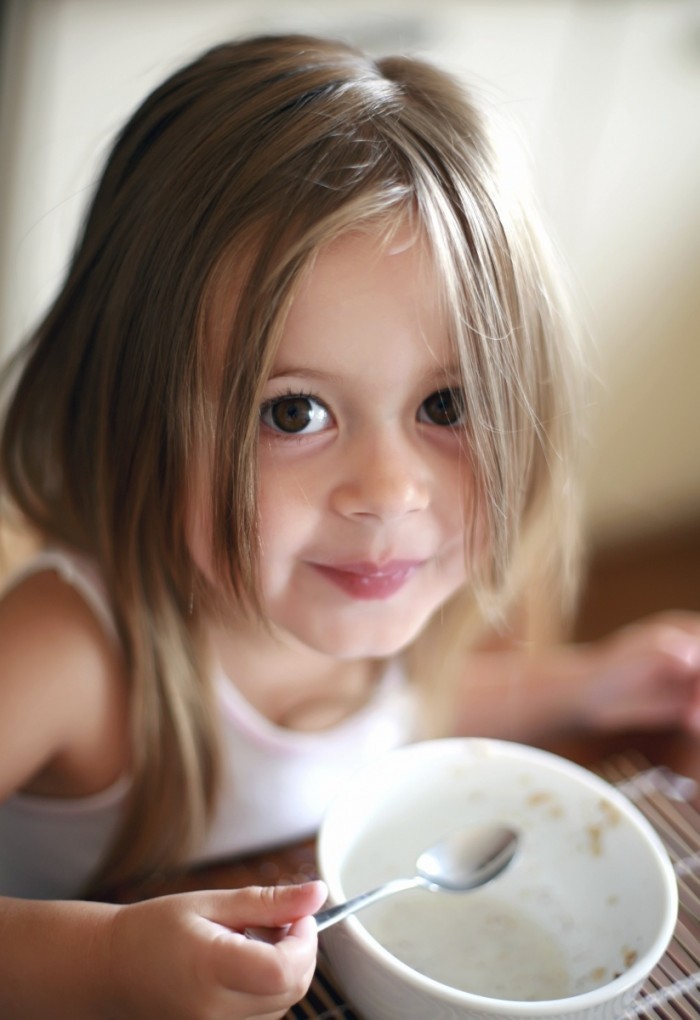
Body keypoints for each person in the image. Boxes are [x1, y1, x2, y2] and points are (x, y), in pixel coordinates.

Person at [0, 32, 698, 1020]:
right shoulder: (68, 653)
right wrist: (107, 963)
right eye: (294, 412)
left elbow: (387, 734)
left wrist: (588, 687)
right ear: (131, 406)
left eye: (446, 406)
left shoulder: (353, 592)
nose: (388, 491)